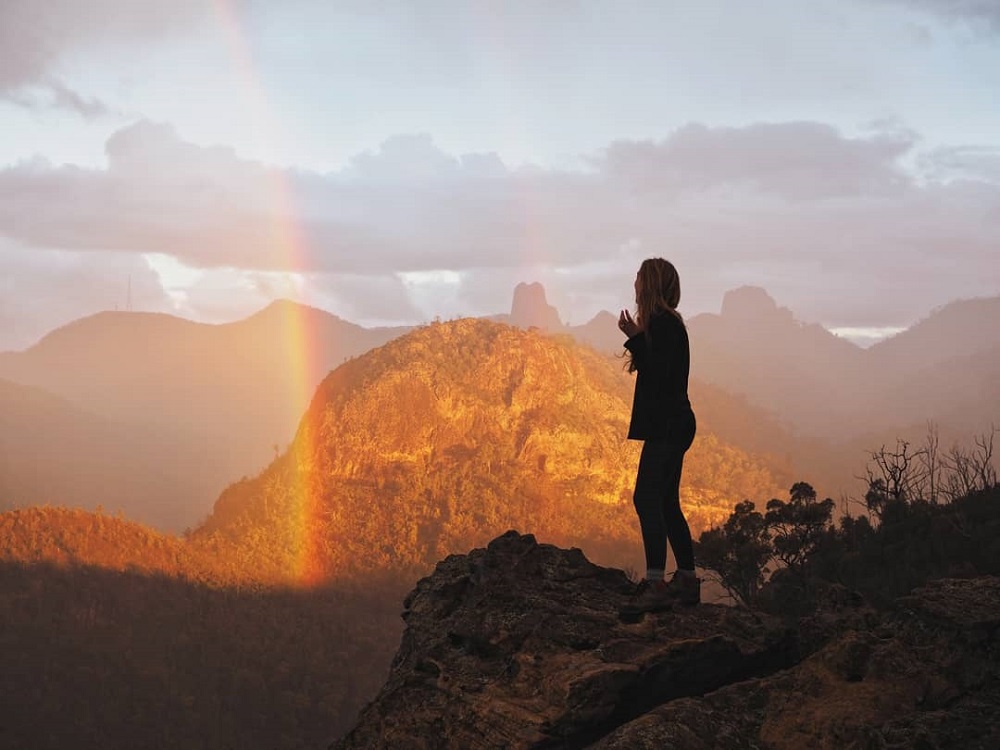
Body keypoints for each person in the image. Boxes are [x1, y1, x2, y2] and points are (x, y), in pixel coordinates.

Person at [617, 257, 700, 618]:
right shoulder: (664, 325)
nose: (634, 282)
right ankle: (686, 580)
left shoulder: (665, 325)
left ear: (649, 284)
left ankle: (656, 585)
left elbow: (661, 378)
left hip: (668, 426)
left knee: (646, 498)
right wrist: (638, 337)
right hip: (673, 425)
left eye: (638, 277)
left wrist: (636, 340)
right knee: (666, 502)